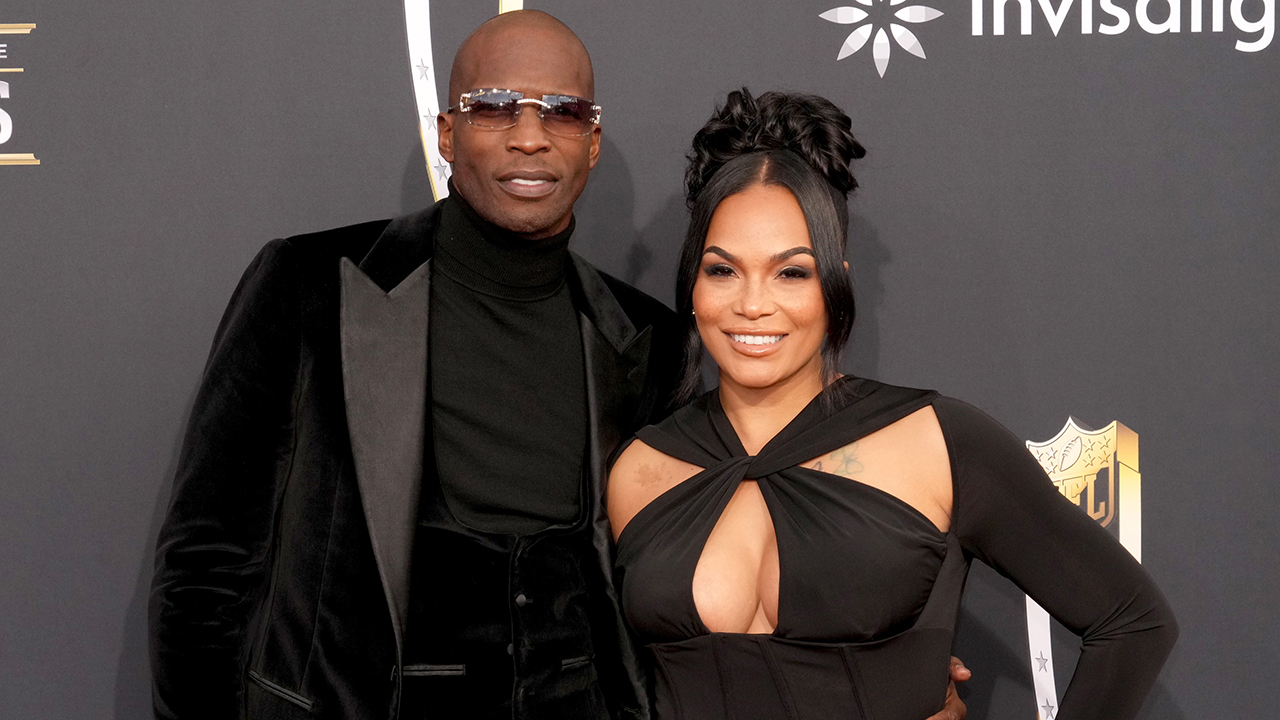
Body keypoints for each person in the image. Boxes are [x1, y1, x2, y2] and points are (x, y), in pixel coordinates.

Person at [148, 9, 970, 720]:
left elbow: (716, 557)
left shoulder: (644, 338)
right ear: (446, 130)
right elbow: (205, 566)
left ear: (593, 140)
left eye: (562, 112)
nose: (529, 135)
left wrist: (891, 667)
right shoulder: (310, 287)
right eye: (494, 106)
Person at [608, 89, 1179, 720]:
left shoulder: (936, 441)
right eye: (723, 270)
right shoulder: (639, 469)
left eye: (791, 272)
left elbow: (1132, 623)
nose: (752, 304)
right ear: (692, 281)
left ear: (836, 280)